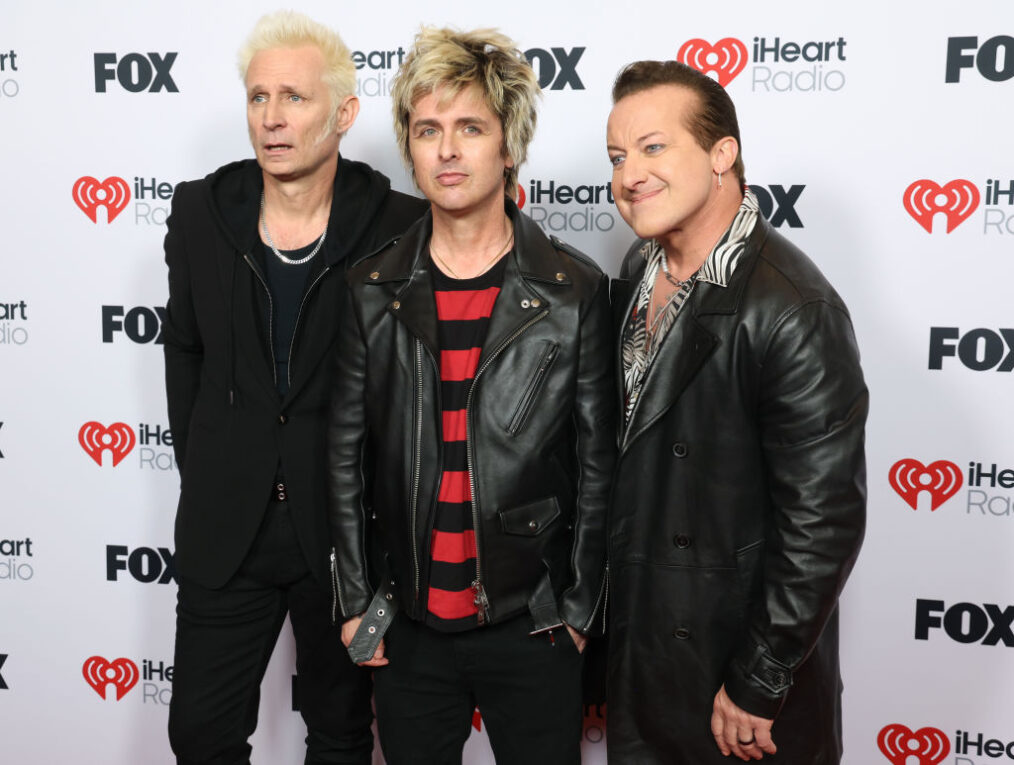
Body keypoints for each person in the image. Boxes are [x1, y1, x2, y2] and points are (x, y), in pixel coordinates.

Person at [327, 27, 614, 765]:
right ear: (410, 148)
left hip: (535, 628)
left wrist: (578, 609)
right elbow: (344, 459)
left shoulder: (573, 292)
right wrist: (357, 602)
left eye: (469, 128)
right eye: (428, 130)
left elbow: (597, 466)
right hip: (411, 630)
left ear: (507, 145)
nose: (448, 149)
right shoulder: (370, 290)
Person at [161, 11, 424, 764]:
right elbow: (184, 346)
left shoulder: (396, 226)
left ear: (343, 113)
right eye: (257, 97)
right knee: (201, 734)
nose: (272, 119)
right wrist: (208, 459)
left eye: (295, 99)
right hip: (227, 527)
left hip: (342, 531)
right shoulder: (202, 212)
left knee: (340, 735)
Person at [605, 60, 867, 764]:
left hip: (737, 690)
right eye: (617, 156)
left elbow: (824, 519)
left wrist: (758, 679)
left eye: (654, 147)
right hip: (645, 666)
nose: (630, 174)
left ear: (723, 154)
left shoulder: (792, 307)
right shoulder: (638, 271)